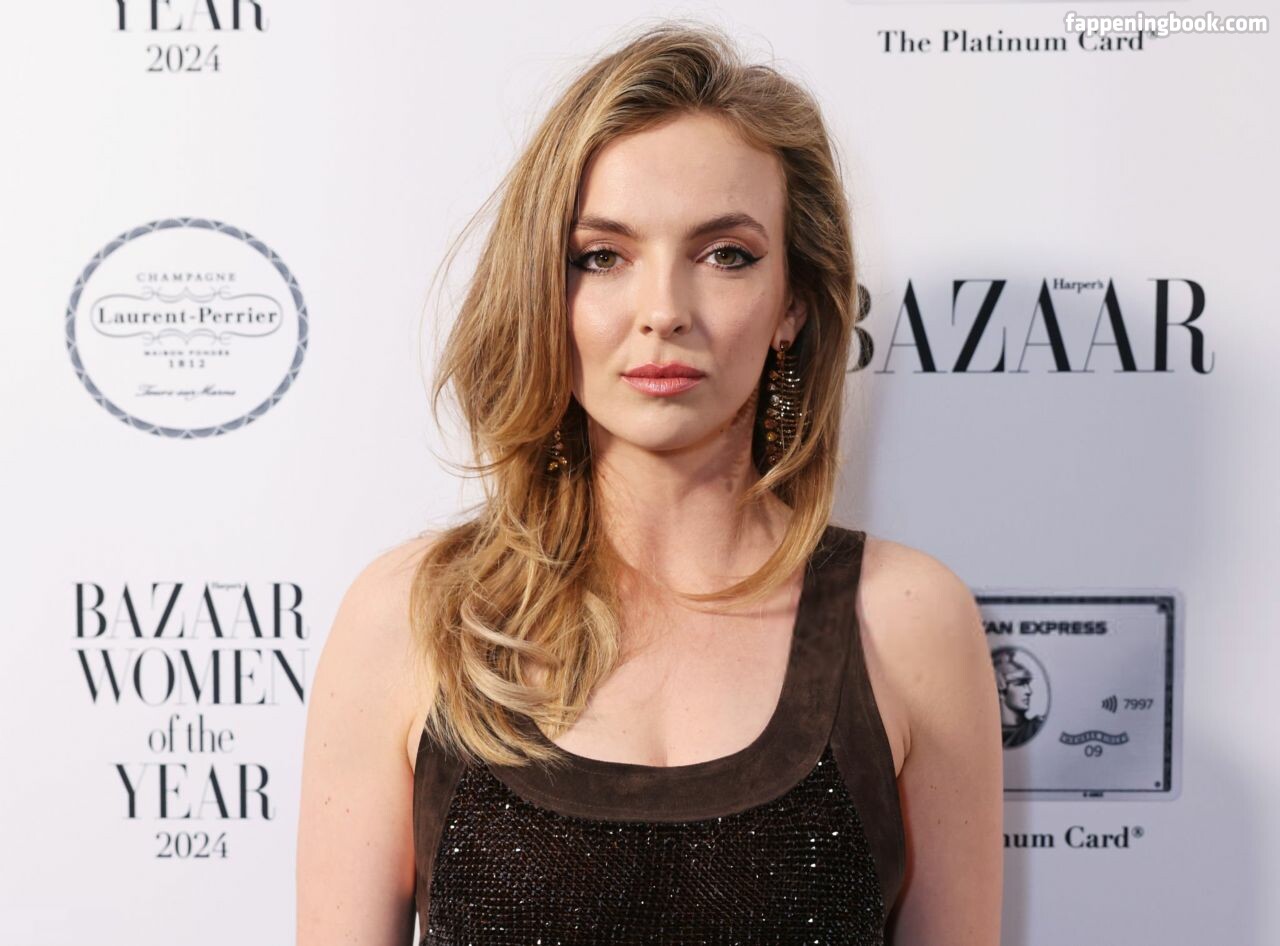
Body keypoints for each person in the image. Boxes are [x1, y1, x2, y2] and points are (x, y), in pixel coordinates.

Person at [296, 19, 1002, 946]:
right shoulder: (412, 618)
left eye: (725, 254)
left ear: (792, 305)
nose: (664, 311)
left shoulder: (908, 622)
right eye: (603, 256)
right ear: (545, 291)